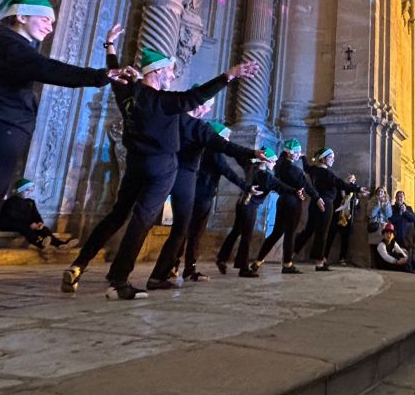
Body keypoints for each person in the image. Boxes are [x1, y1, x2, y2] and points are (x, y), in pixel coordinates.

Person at [0, 0, 132, 319]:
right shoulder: (7, 43)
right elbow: (45, 68)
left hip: (0, 133)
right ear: (22, 16)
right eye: (45, 20)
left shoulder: (9, 44)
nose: (50, 27)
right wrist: (100, 75)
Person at [61, 43, 257, 299]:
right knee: (141, 220)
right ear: (157, 70)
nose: (173, 76)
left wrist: (111, 47)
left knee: (117, 215)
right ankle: (119, 281)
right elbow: (194, 97)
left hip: (135, 164)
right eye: (170, 71)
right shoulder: (163, 102)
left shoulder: (128, 94)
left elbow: (115, 73)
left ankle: (79, 264)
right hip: (161, 167)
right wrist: (229, 76)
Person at [147, 119, 260, 289]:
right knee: (194, 234)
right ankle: (187, 269)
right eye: (225, 137)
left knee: (183, 232)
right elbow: (228, 172)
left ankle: (174, 266)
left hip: (191, 193)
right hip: (202, 196)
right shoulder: (213, 152)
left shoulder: (199, 147)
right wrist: (247, 187)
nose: (226, 141)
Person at [216, 147, 303, 277]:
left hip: (241, 204)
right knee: (247, 237)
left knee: (236, 231)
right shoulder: (267, 177)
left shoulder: (250, 167)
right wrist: (296, 191)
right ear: (265, 161)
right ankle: (244, 269)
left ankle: (222, 258)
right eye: (272, 161)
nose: (274, 164)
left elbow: (238, 155)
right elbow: (282, 186)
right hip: (250, 207)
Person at [251, 139, 323, 274]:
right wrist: (316, 197)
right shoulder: (293, 169)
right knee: (290, 234)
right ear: (289, 153)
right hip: (293, 203)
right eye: (296, 152)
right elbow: (304, 185)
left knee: (276, 233)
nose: (298, 154)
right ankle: (287, 264)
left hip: (282, 201)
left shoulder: (279, 165)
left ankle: (258, 261)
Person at [294, 148, 368, 271]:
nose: (333, 159)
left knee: (308, 231)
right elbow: (341, 184)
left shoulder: (313, 170)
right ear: (323, 158)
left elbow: (306, 167)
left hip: (315, 202)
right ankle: (319, 262)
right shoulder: (327, 174)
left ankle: (290, 254)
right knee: (322, 233)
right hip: (326, 204)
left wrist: (303, 157)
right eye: (330, 157)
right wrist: (358, 188)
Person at [0, 179, 78, 250]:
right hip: (10, 224)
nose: (29, 193)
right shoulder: (11, 201)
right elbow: (14, 216)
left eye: (31, 191)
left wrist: (39, 223)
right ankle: (40, 243)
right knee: (25, 228)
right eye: (27, 190)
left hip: (27, 224)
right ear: (20, 190)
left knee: (44, 229)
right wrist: (30, 224)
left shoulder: (30, 202)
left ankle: (60, 244)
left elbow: (36, 215)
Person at [323, 173, 361, 266]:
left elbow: (358, 207)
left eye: (353, 179)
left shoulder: (355, 192)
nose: (351, 181)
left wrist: (356, 204)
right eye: (349, 178)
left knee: (345, 239)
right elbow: (333, 199)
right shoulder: (339, 189)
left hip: (347, 218)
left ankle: (342, 258)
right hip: (336, 215)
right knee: (330, 237)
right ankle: (324, 257)